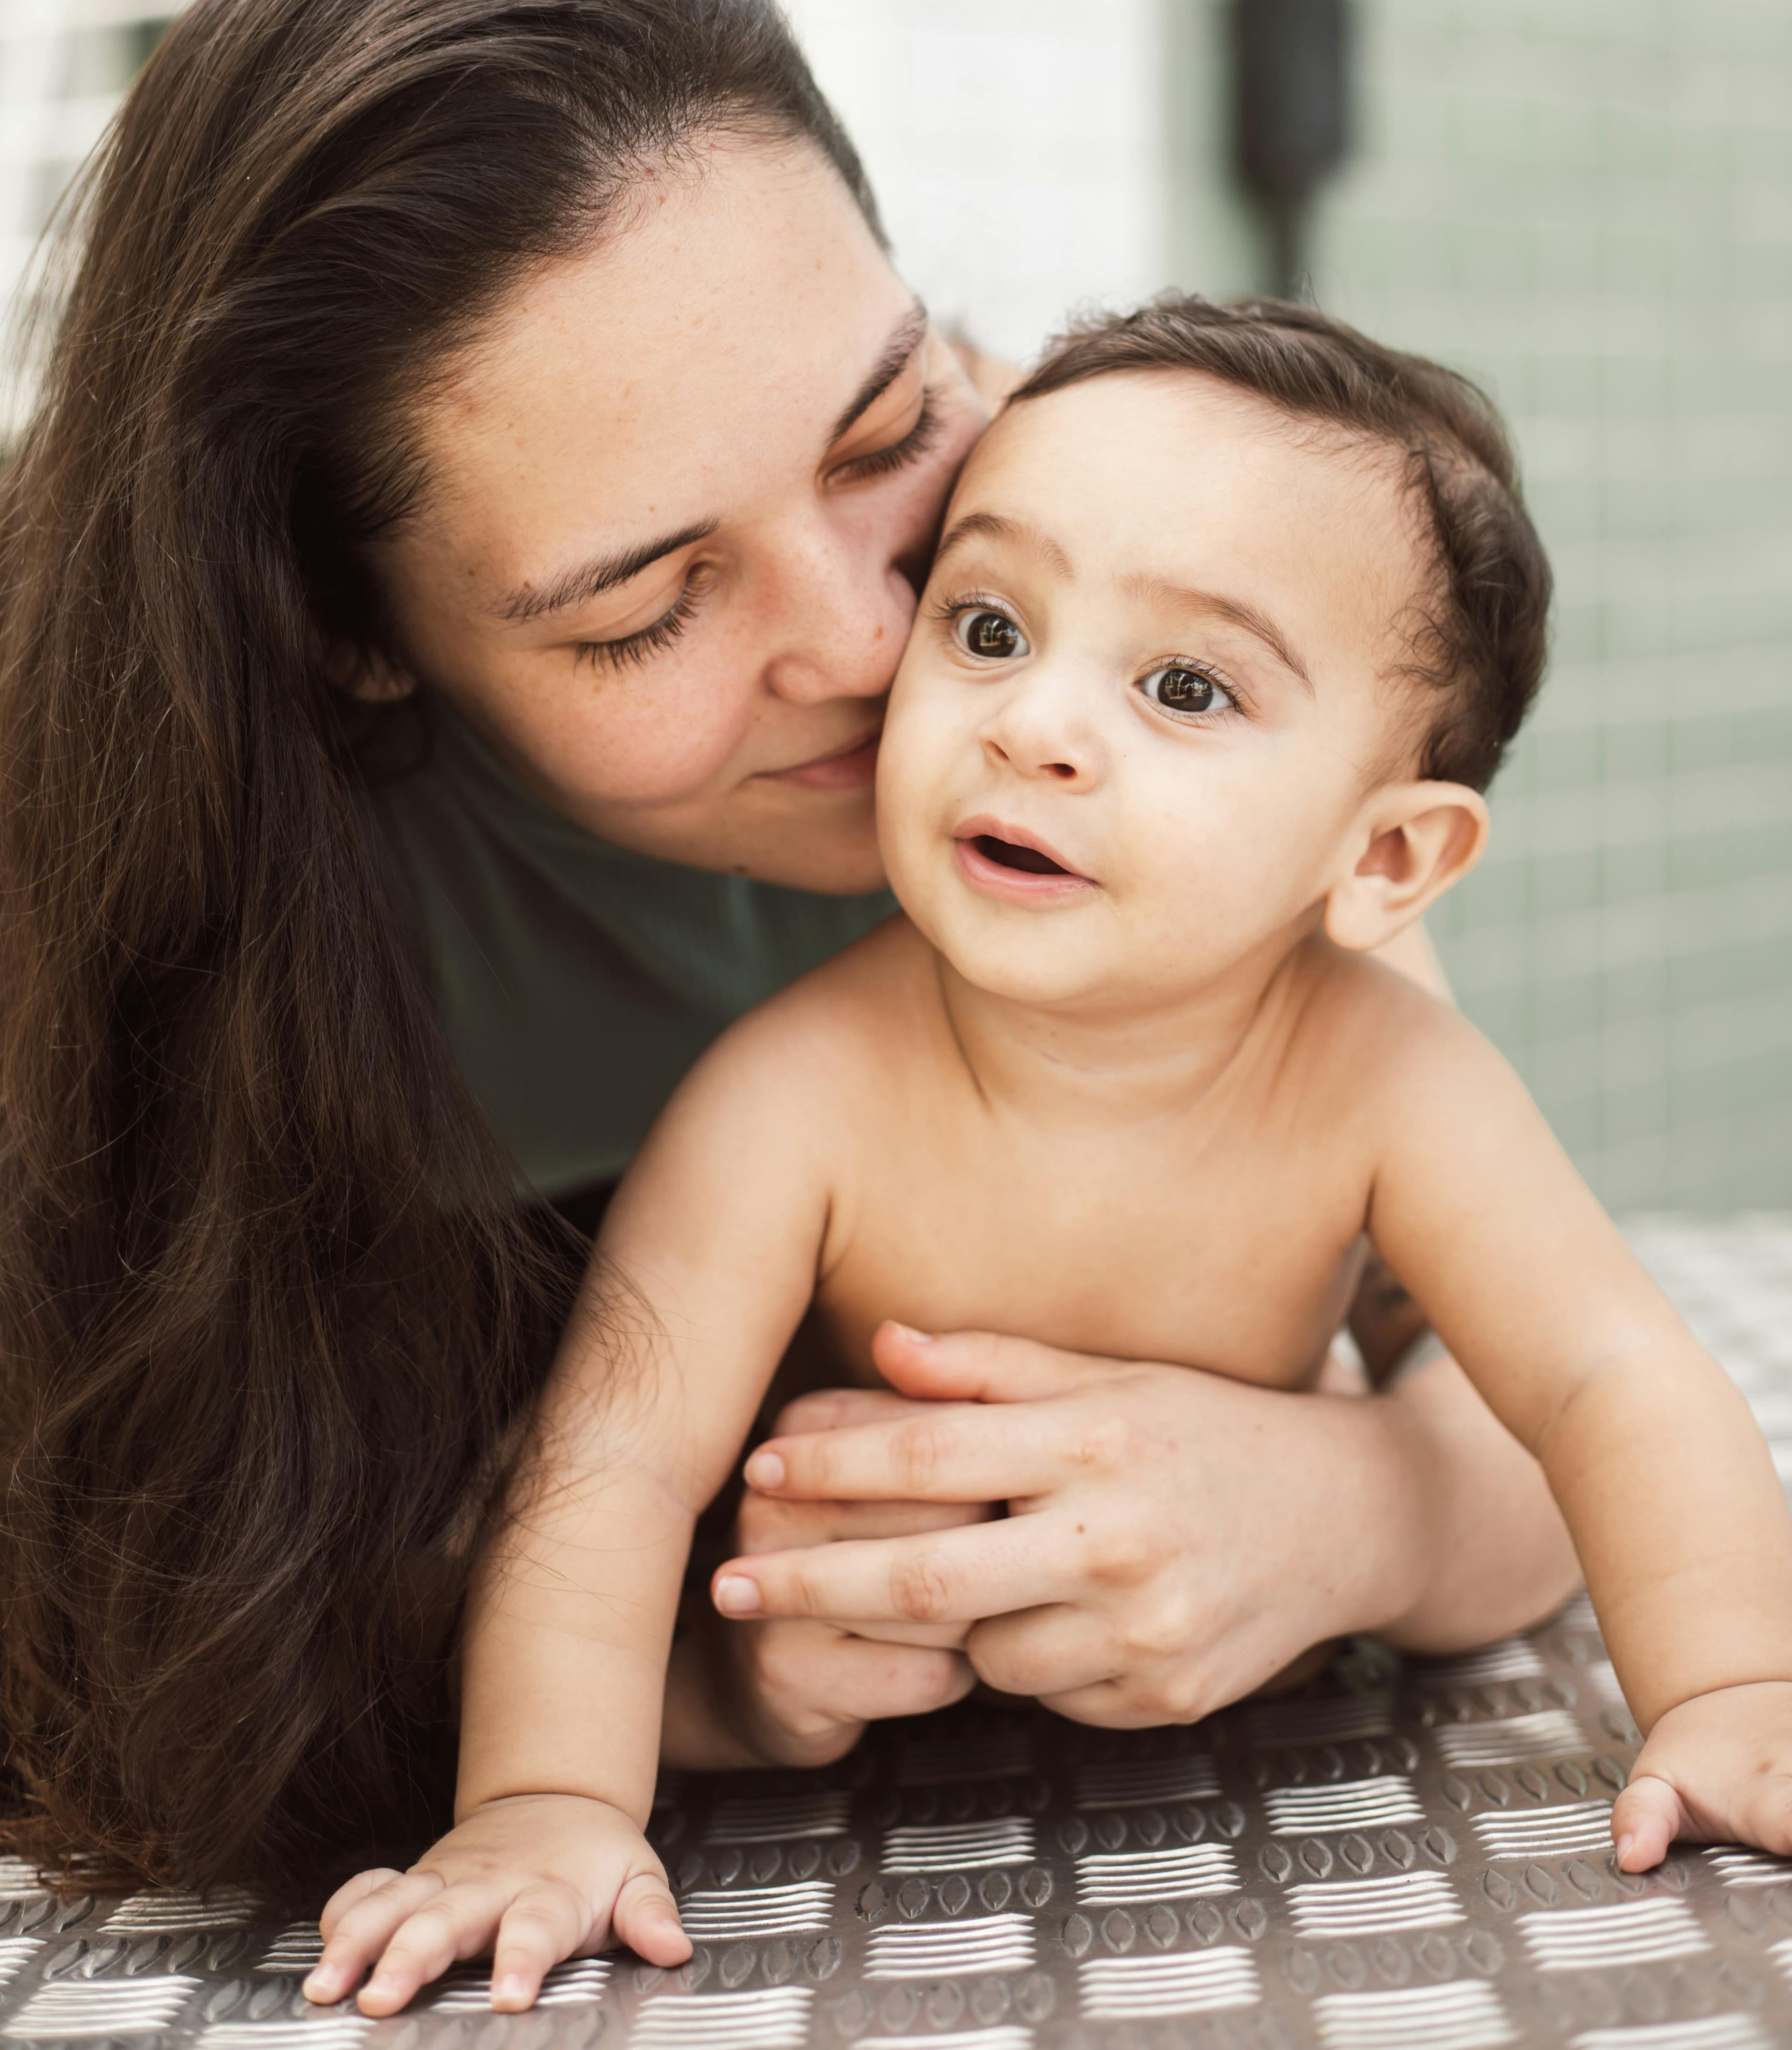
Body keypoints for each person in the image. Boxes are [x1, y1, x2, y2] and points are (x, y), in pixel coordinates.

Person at [0, 0, 1573, 1901]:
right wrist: (694, 1685)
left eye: (888, 426)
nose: (872, 642)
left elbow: (1541, 1387)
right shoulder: (137, 908)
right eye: (650, 608)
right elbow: (122, 1651)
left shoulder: (1114, 635)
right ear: (345, 639)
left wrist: (1363, 1509)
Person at [307, 295, 1792, 2017]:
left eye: (1182, 686)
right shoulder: (796, 1092)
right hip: (867, 1765)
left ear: (1385, 861)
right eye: (991, 626)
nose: (1033, 725)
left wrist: (1737, 1686)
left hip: (1274, 1761)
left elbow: (1606, 1372)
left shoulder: (1394, 1077)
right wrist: (547, 1803)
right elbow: (617, 1461)